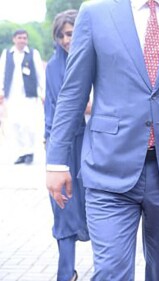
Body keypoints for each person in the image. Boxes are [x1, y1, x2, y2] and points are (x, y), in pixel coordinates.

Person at [45, 0, 159, 280]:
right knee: (111, 272)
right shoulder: (95, 14)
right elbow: (73, 91)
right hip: (109, 168)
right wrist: (56, 160)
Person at [44, 10, 89, 281]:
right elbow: (54, 110)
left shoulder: (99, 56)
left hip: (95, 144)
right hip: (65, 147)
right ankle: (65, 273)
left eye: (71, 33)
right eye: (62, 35)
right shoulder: (53, 66)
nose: (66, 40)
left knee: (100, 209)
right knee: (64, 209)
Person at [0, 29, 45, 165]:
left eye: (24, 38)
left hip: (29, 95)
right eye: (19, 38)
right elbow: (1, 73)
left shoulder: (33, 53)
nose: (22, 40)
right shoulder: (7, 54)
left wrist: (43, 93)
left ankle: (30, 151)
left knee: (28, 124)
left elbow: (40, 75)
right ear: (14, 39)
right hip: (12, 96)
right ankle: (21, 152)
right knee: (14, 124)